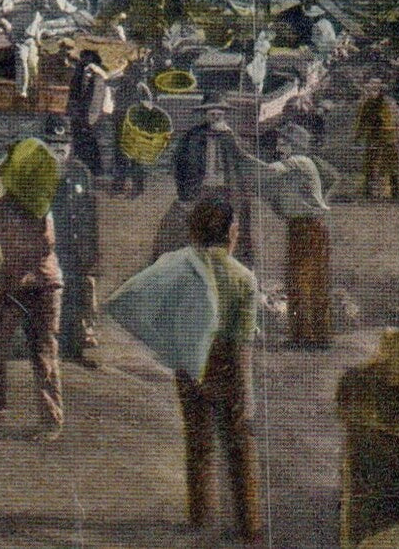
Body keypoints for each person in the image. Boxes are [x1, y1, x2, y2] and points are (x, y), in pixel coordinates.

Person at [175, 198, 264, 546]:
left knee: (198, 443)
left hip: (189, 362)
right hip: (227, 363)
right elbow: (243, 343)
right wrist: (246, 391)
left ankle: (200, 515)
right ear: (231, 234)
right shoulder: (243, 278)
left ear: (195, 233)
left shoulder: (181, 271)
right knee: (240, 445)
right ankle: (249, 525)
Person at [0, 139, 64, 440]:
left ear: (1, 174)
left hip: (42, 286)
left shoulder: (30, 197)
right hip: (14, 288)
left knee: (43, 351)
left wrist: (14, 265)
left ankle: (51, 421)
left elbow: (46, 243)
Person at [234, 124, 332, 347]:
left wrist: (238, 152)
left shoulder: (299, 162)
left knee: (303, 280)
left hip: (307, 229)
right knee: (307, 281)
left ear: (295, 145)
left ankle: (307, 337)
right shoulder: (297, 167)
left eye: (284, 142)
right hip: (304, 228)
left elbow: (266, 172)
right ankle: (311, 336)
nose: (279, 146)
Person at [157, 96, 257, 267]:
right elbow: (178, 164)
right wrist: (186, 190)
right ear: (205, 115)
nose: (216, 117)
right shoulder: (193, 136)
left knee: (234, 227)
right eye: (212, 114)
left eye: (220, 114)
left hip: (227, 190)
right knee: (178, 225)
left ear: (224, 115)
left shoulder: (231, 137)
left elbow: (243, 163)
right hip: (200, 189)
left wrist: (231, 140)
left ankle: (236, 268)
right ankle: (179, 268)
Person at [42, 115, 100, 369]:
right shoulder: (38, 172)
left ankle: (73, 349)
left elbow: (90, 214)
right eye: (53, 143)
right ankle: (46, 348)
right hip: (50, 246)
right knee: (49, 297)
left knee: (76, 297)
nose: (59, 148)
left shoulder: (80, 172)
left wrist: (92, 251)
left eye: (64, 142)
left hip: (76, 247)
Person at [355, 75, 399, 199]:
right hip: (373, 137)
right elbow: (361, 121)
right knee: (370, 164)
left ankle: (394, 191)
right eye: (371, 87)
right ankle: (368, 191)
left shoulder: (389, 103)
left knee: (391, 164)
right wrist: (358, 136)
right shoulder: (365, 103)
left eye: (376, 87)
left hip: (388, 137)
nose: (373, 90)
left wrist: (396, 135)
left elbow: (396, 119)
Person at [65, 48, 109, 176]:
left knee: (88, 141)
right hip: (79, 115)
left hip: (87, 116)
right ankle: (83, 168)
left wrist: (90, 118)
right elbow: (73, 93)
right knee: (80, 140)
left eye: (86, 58)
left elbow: (95, 99)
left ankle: (94, 170)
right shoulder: (81, 71)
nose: (83, 60)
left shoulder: (97, 77)